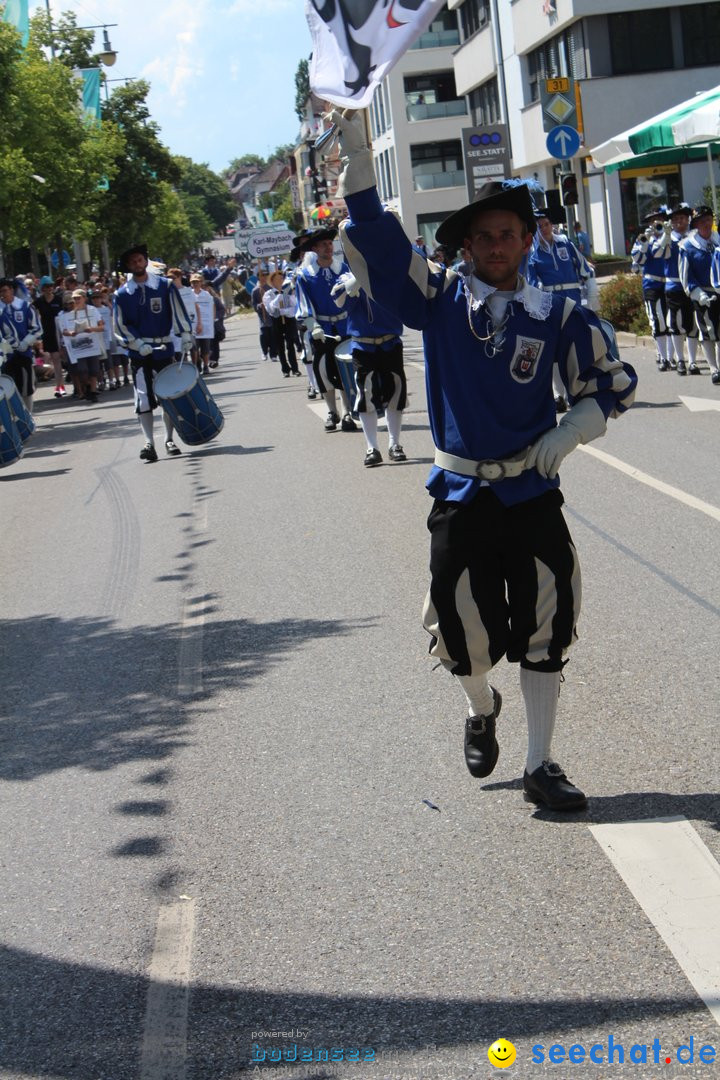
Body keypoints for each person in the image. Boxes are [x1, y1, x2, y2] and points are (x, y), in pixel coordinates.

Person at [332, 108, 637, 812]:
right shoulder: (438, 297)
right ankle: (480, 705)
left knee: (547, 617)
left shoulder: (558, 317)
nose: (497, 246)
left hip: (531, 492)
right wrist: (356, 178)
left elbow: (610, 385)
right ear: (465, 245)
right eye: (484, 237)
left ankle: (541, 762)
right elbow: (380, 248)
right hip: (463, 493)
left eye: (509, 234)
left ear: (529, 239)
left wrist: (573, 432)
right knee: (458, 623)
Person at [114, 243, 193, 462]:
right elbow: (120, 326)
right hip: (139, 354)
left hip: (164, 348)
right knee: (144, 398)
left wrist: (185, 334)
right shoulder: (122, 294)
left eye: (140, 260)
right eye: (133, 262)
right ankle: (149, 442)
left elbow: (178, 311)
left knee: (168, 395)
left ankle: (169, 439)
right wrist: (137, 344)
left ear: (145, 261)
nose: (137, 264)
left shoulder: (164, 286)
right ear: (128, 266)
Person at [330, 271, 406, 466]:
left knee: (395, 392)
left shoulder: (387, 271)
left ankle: (394, 444)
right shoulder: (347, 277)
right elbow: (338, 300)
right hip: (362, 344)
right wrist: (359, 276)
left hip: (390, 341)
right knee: (365, 394)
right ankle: (372, 448)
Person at [526, 211, 595, 410]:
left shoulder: (566, 244)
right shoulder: (533, 253)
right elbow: (532, 283)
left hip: (573, 302)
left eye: (547, 223)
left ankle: (576, 391)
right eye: (540, 226)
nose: (545, 228)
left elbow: (584, 268)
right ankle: (559, 395)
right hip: (551, 306)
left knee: (575, 348)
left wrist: (591, 296)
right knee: (556, 352)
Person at [294, 226, 357, 431]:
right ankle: (332, 411)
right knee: (324, 370)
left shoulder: (344, 270)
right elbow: (304, 305)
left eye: (330, 244)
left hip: (345, 326)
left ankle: (347, 412)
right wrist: (313, 326)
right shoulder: (305, 276)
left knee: (346, 370)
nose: (328, 247)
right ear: (315, 249)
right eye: (323, 244)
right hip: (322, 329)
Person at [654, 202, 700, 376]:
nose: (679, 221)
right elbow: (658, 254)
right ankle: (680, 360)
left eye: (682, 217)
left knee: (693, 325)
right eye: (676, 218)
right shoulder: (668, 238)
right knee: (676, 324)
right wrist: (666, 236)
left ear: (688, 219)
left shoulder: (694, 237)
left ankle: (693, 362)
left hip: (694, 286)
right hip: (674, 286)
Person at [680, 205, 720, 384]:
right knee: (708, 332)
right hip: (703, 294)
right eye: (702, 221)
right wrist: (698, 293)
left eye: (708, 219)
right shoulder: (687, 246)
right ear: (695, 224)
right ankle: (713, 368)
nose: (706, 223)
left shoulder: (718, 240)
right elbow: (686, 275)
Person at [631, 208, 673, 371]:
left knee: (670, 321)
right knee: (658, 320)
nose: (656, 223)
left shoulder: (668, 236)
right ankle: (662, 357)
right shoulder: (643, 239)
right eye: (652, 220)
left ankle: (671, 357)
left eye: (659, 219)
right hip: (652, 284)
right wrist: (644, 242)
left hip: (668, 283)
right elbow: (637, 260)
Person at [0, 277, 44, 414]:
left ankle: (28, 416)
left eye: (4, 290)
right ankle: (15, 418)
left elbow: (37, 328)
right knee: (8, 388)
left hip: (23, 353)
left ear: (12, 290)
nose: (2, 294)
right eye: (0, 292)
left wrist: (26, 342)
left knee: (26, 387)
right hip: (5, 355)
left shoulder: (25, 306)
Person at [263, 270, 301, 378]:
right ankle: (285, 369)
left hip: (289, 320)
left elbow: (294, 306)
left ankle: (295, 368)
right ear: (272, 281)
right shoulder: (268, 294)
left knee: (290, 344)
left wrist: (285, 310)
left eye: (281, 278)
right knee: (280, 346)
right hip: (277, 322)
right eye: (278, 279)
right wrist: (278, 298)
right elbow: (270, 309)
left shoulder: (288, 290)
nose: (280, 281)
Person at [34, 276, 66, 398]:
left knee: (57, 360)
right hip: (46, 334)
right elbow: (31, 314)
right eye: (46, 287)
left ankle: (60, 387)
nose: (49, 289)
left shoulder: (59, 300)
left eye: (51, 286)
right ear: (42, 289)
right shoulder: (38, 302)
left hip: (59, 333)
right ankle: (59, 386)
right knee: (53, 360)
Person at [251, 270, 276, 362]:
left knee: (273, 335)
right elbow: (254, 305)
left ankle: (273, 354)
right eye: (262, 276)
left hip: (272, 315)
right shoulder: (255, 290)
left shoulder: (271, 288)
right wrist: (259, 306)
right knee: (264, 335)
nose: (264, 278)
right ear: (259, 277)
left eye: (266, 276)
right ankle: (264, 352)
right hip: (263, 316)